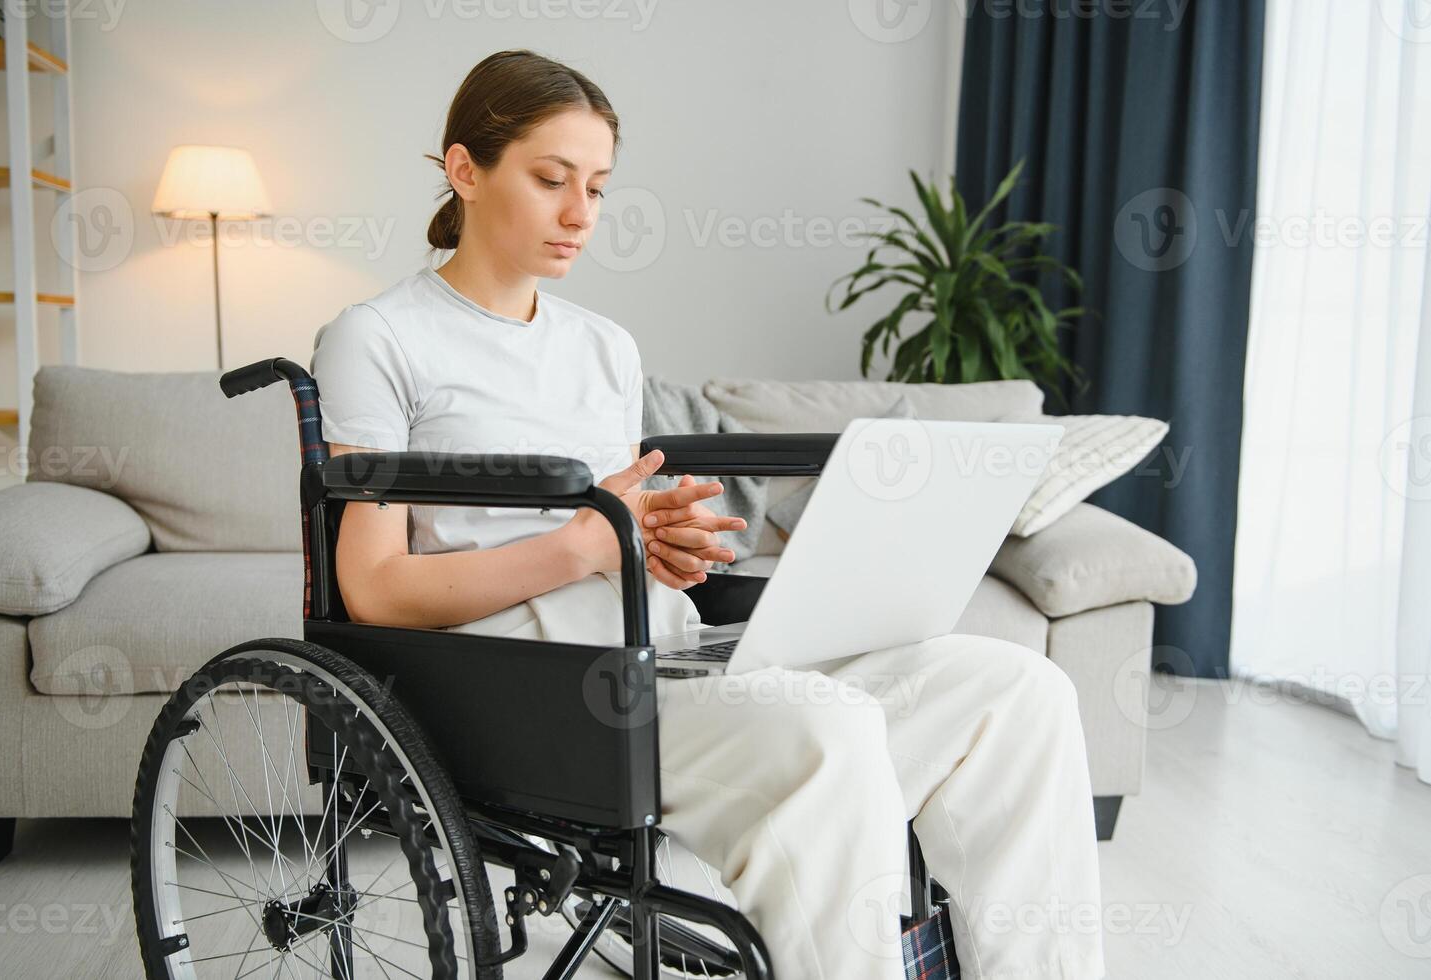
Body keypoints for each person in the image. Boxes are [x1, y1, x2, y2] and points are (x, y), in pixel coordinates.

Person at [309, 48, 1107, 980]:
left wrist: (660, 545)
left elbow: (615, 530)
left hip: (665, 651)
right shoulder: (379, 337)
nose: (580, 215)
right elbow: (371, 590)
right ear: (464, 171)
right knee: (827, 728)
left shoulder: (604, 348)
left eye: (598, 188)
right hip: (525, 688)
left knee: (1018, 693)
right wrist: (582, 545)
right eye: (550, 179)